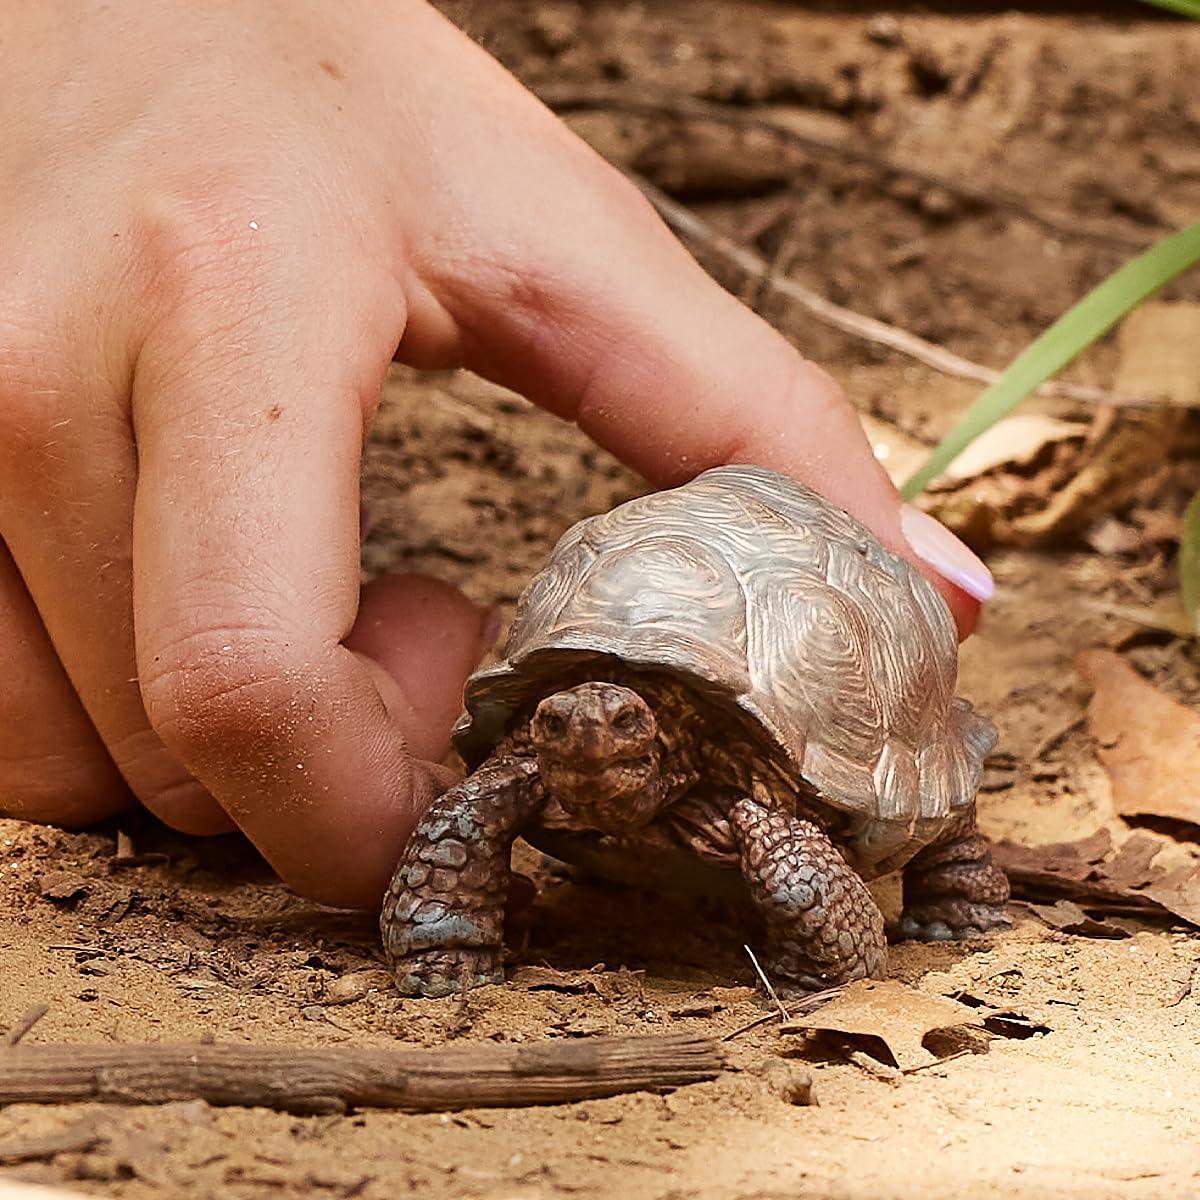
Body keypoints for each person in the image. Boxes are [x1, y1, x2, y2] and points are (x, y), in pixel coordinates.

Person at [0, 1, 992, 910]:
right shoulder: (537, 761)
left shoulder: (758, 805)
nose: (584, 743)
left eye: (616, 730)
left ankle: (958, 880)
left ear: (661, 739)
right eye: (558, 725)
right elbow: (472, 808)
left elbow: (803, 857)